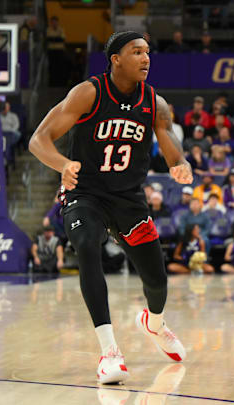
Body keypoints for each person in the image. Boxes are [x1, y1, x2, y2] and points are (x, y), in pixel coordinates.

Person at [29, 31, 191, 384]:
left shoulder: (154, 102)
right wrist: (62, 164)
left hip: (128, 199)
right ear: (116, 58)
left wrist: (181, 164)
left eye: (148, 52)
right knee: (87, 246)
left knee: (157, 280)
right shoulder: (89, 92)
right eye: (137, 52)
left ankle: (155, 323)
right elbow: (38, 139)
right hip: (84, 193)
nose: (146, 58)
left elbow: (170, 146)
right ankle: (109, 352)